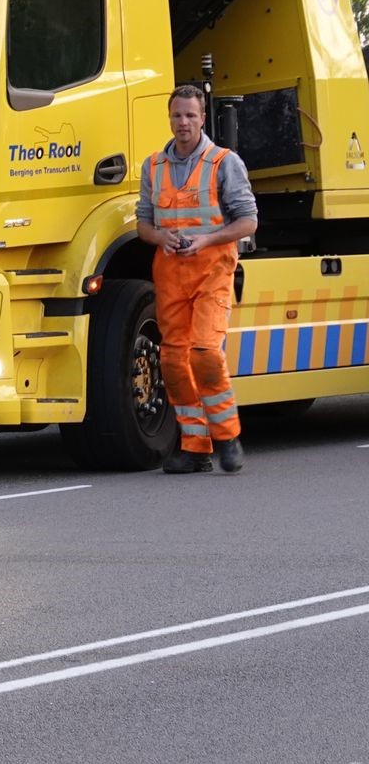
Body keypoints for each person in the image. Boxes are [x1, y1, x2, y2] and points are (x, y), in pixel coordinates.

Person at [136, 85, 259, 473]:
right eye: (177, 116)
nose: (183, 122)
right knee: (172, 361)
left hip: (212, 271)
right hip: (171, 273)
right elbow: (143, 223)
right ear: (169, 119)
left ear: (203, 118)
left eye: (190, 115)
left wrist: (206, 239)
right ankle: (194, 447)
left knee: (205, 352)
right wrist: (160, 237)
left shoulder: (225, 162)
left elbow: (248, 221)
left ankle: (227, 437)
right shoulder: (153, 166)